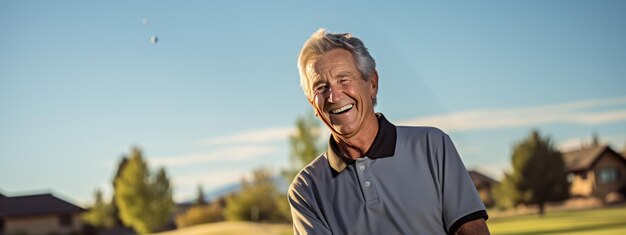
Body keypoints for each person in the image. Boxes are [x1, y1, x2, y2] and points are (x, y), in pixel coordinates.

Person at [288, 29, 490, 235]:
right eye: (320, 87)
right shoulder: (306, 189)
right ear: (312, 103)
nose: (334, 96)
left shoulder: (432, 145)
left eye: (343, 80)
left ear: (372, 83)